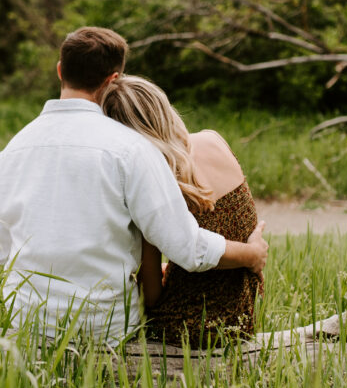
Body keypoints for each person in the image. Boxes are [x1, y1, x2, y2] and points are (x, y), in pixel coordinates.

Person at [0, 27, 267, 345]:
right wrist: (251, 254)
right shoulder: (131, 149)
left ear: (60, 70)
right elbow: (187, 247)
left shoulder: (11, 151)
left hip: (27, 324)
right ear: (113, 79)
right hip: (104, 330)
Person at [100, 76, 262, 348]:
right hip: (241, 318)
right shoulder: (213, 139)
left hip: (184, 329)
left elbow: (151, 295)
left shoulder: (156, 182)